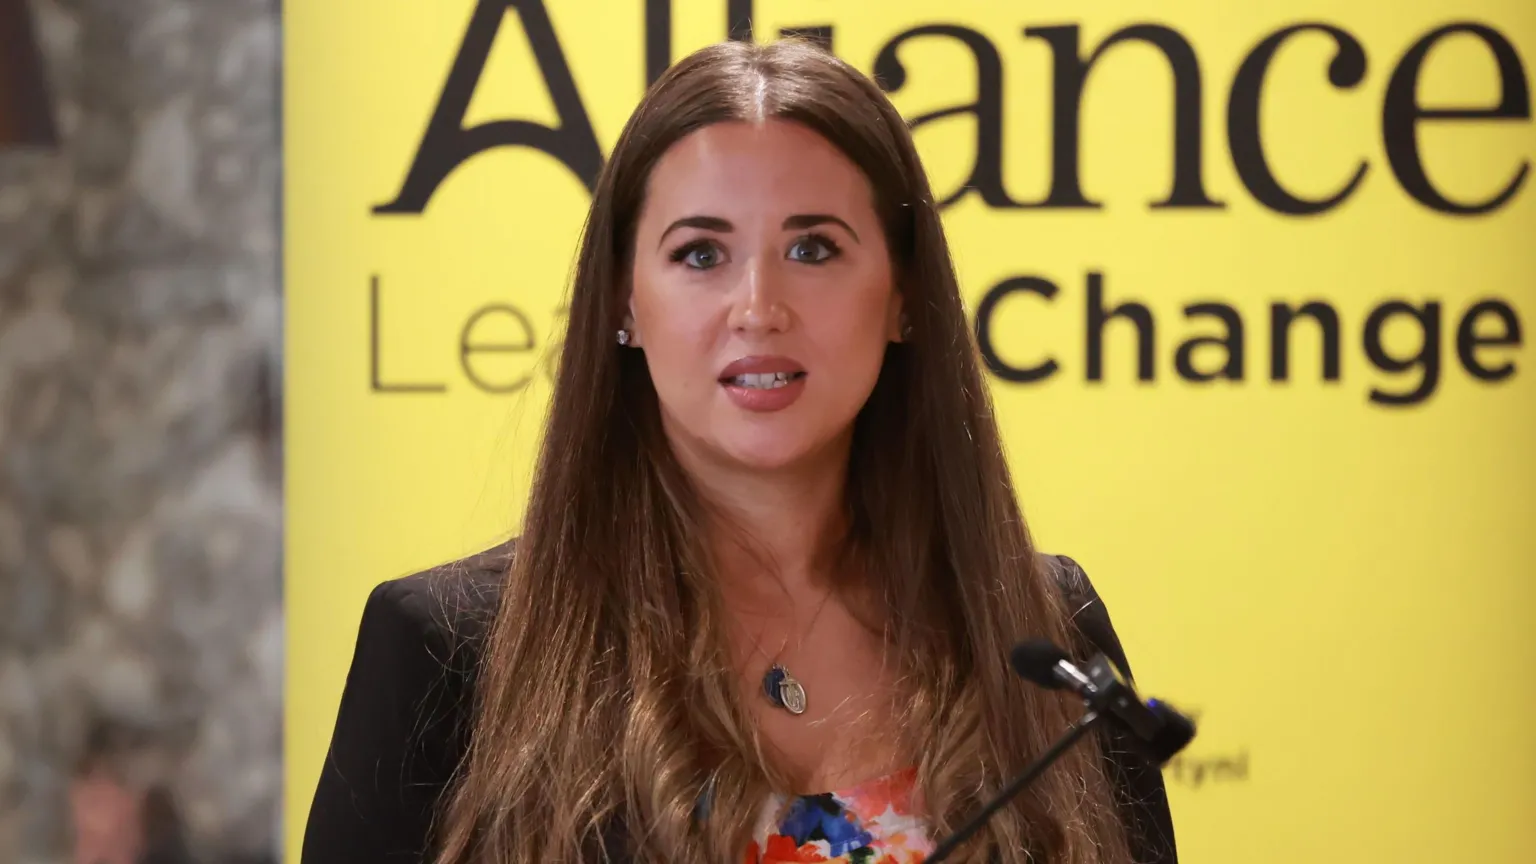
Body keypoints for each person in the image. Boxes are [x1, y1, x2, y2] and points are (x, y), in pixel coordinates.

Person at [301, 38, 1176, 864]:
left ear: (903, 295)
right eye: (700, 254)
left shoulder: (1045, 634)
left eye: (812, 248)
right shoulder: (449, 649)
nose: (759, 307)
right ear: (622, 302)